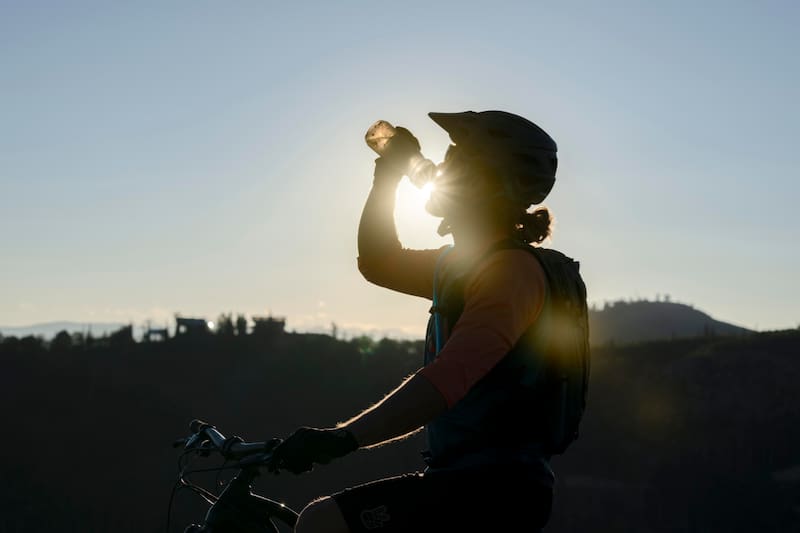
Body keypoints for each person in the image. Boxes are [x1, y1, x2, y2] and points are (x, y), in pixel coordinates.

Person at [270, 110, 589, 532]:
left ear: (486, 183)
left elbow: (446, 381)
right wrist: (389, 175)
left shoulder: (510, 274)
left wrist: (343, 438)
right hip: (468, 482)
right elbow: (380, 262)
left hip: (494, 490)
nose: (442, 168)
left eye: (456, 160)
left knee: (323, 523)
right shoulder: (466, 266)